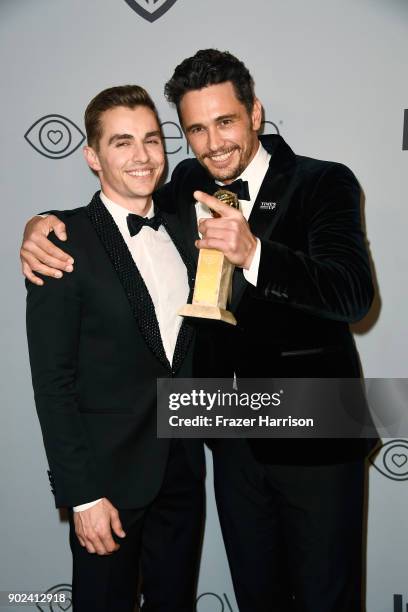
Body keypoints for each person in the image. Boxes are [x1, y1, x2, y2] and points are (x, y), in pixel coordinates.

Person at [21, 51, 376, 611]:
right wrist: (41, 225)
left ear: (256, 113)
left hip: (316, 427)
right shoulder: (187, 180)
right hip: (228, 432)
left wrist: (256, 253)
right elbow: (117, 210)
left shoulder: (322, 182)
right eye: (195, 129)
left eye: (226, 121)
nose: (213, 143)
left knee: (324, 598)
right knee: (256, 595)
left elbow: (352, 294)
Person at [25, 84, 205, 612]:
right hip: (106, 485)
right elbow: (52, 384)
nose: (142, 156)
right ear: (92, 156)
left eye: (151, 140)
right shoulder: (61, 243)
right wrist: (82, 496)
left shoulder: (182, 225)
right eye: (122, 142)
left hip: (181, 471)